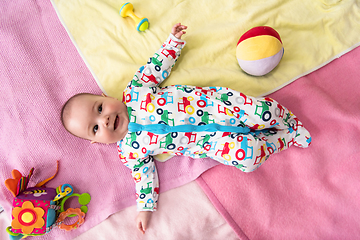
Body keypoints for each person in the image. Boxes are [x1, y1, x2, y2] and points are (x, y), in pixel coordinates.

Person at [61, 23, 311, 234]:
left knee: (263, 112)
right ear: (97, 142)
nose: (103, 120)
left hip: (219, 107)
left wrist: (171, 44)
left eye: (99, 108)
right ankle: (285, 138)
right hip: (213, 143)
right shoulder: (130, 152)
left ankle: (285, 120)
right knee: (247, 159)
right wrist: (145, 207)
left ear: (106, 97)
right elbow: (144, 178)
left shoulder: (136, 91)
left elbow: (155, 68)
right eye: (94, 129)